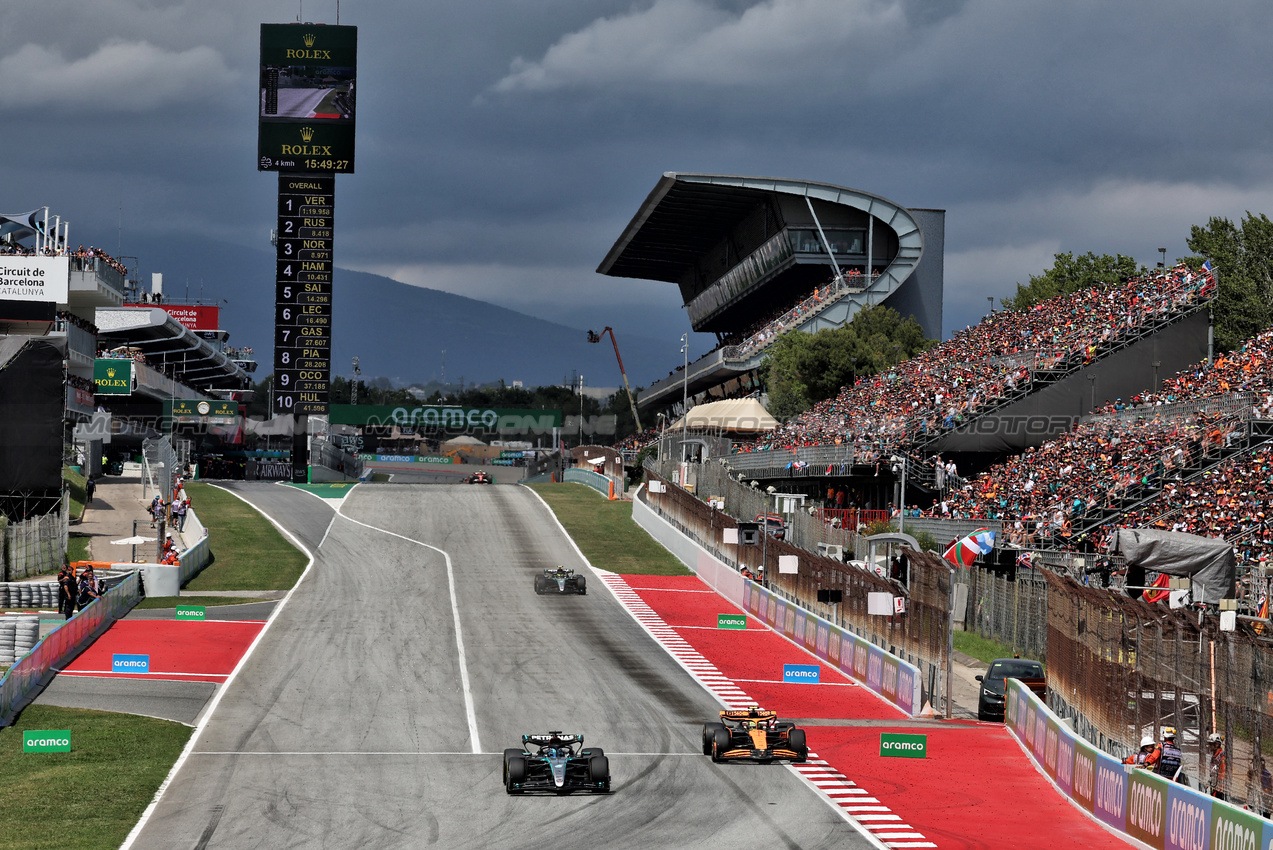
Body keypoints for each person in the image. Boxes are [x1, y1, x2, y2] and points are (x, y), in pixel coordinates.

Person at [1208, 733, 1227, 800]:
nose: (1209, 746)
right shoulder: (1214, 756)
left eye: (1211, 744)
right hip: (1214, 786)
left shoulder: (1222, 756)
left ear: (1217, 744)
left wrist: (1220, 788)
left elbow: (1223, 773)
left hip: (1219, 790)